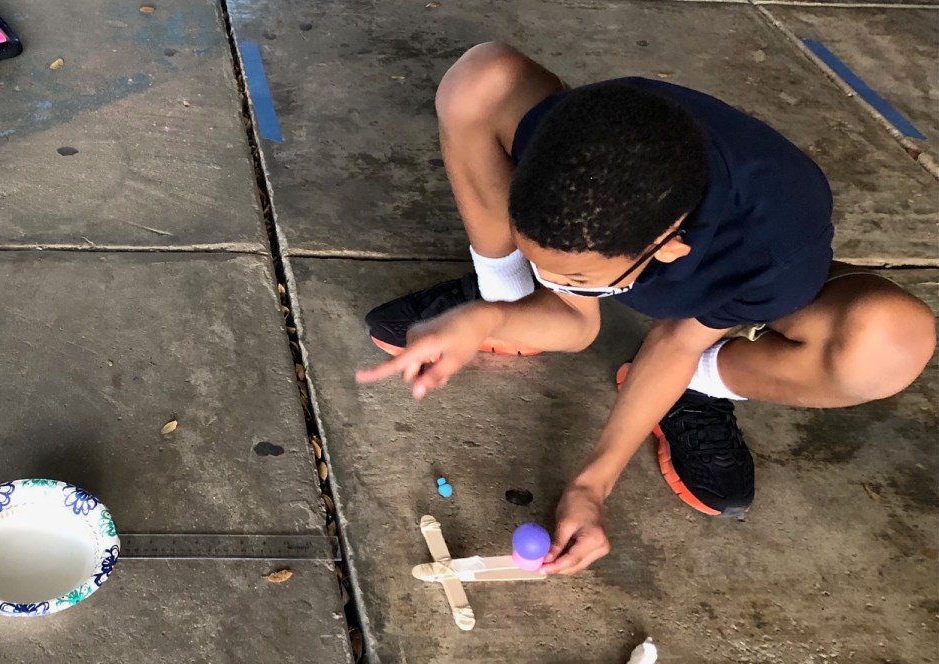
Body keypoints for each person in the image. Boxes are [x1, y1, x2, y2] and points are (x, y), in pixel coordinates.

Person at [355, 43, 936, 575]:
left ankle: (702, 388)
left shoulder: (773, 247)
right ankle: (504, 290)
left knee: (890, 344)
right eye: (540, 261)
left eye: (575, 277)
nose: (555, 283)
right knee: (479, 78)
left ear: (670, 246)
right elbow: (576, 301)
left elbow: (675, 341)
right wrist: (491, 311)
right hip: (618, 219)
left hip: (729, 279)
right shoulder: (573, 144)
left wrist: (593, 485)